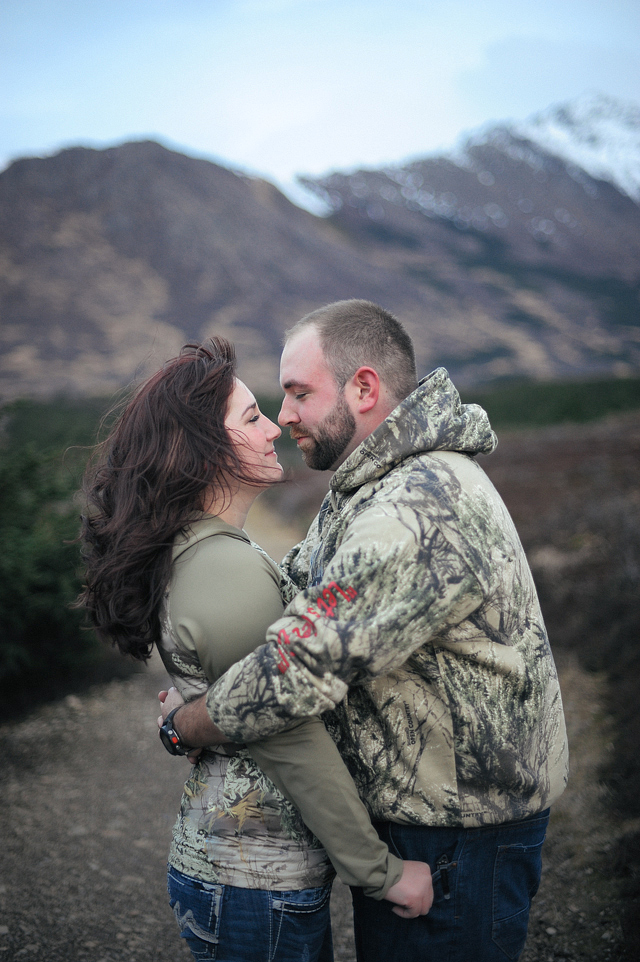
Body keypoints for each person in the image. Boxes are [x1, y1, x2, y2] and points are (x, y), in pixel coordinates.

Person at [158, 300, 570, 962]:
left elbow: (298, 664)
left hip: (458, 840)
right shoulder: (369, 490)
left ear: (365, 388)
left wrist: (188, 722)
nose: (284, 414)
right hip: (437, 822)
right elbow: (297, 592)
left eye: (298, 393)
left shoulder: (417, 506)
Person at [77, 337, 432, 962]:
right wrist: (380, 872)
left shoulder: (206, 550)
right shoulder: (221, 568)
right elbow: (286, 731)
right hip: (252, 880)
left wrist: (183, 723)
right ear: (203, 451)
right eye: (250, 418)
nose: (274, 427)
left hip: (240, 874)